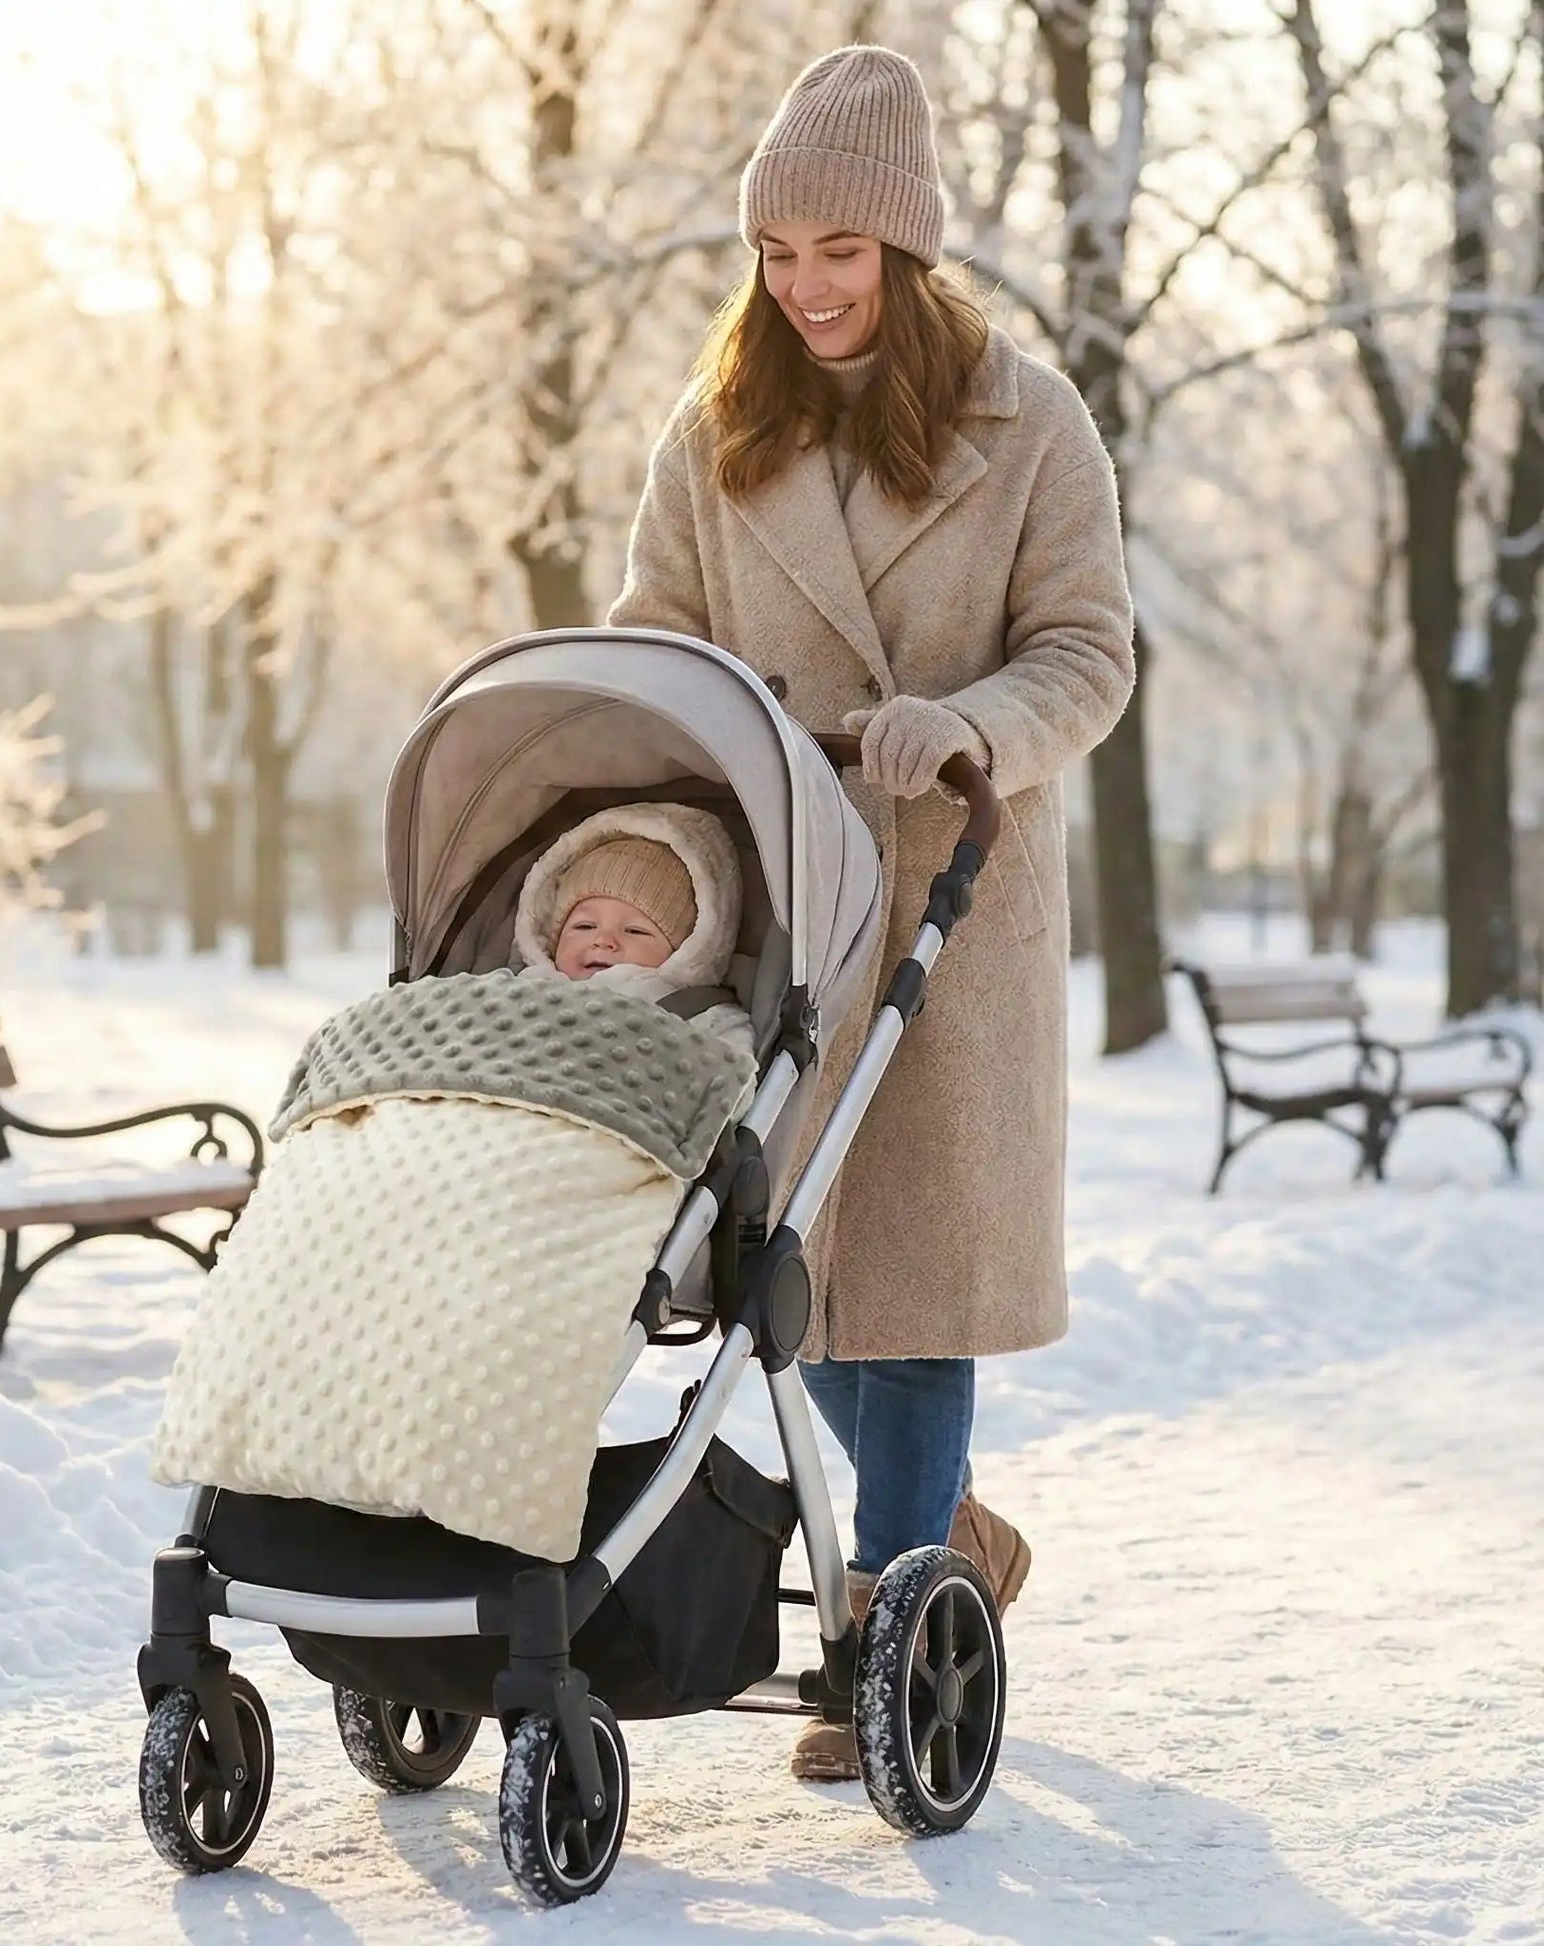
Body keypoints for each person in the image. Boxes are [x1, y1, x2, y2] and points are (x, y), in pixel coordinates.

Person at [607, 44, 1136, 1780]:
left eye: (839, 249)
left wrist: (971, 724)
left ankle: (888, 1626)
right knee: (774, 1258)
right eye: (777, 252)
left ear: (903, 252)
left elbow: (1088, 654)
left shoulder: (1029, 420)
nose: (807, 286)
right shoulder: (715, 433)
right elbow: (653, 634)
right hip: (773, 893)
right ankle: (952, 1548)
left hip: (947, 904)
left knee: (901, 1280)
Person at [513, 801, 756, 1068]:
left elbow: (732, 1072)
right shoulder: (523, 987)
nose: (603, 940)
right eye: (585, 927)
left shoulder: (700, 1012)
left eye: (634, 931)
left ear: (685, 950)